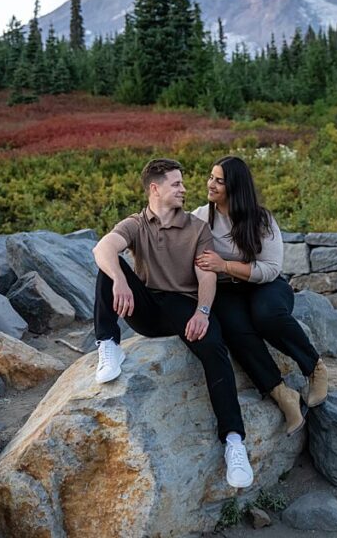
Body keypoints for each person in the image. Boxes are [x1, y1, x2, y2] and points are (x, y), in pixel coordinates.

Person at [93, 157, 254, 489]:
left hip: (184, 307)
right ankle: (108, 345)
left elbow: (205, 275)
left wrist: (203, 312)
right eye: (176, 184)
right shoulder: (136, 224)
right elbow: (103, 247)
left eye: (182, 183)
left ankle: (234, 442)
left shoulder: (197, 228)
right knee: (108, 267)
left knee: (214, 350)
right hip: (147, 309)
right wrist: (119, 281)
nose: (184, 189)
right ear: (156, 188)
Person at [192, 156, 327, 435]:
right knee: (235, 329)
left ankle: (313, 367)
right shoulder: (201, 217)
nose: (211, 184)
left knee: (266, 316)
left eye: (219, 180)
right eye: (210, 177)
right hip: (227, 289)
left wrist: (224, 265)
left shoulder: (260, 219)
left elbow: (270, 268)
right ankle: (282, 395)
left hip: (266, 284)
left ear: (235, 187)